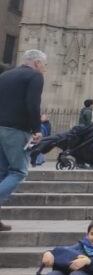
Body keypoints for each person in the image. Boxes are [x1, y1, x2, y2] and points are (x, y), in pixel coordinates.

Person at [0, 49, 46, 230]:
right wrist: (37, 129)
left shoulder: (5, 75)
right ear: (37, 63)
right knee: (18, 171)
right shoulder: (35, 76)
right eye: (43, 64)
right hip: (16, 130)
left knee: (2, 173)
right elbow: (33, 104)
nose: (43, 68)